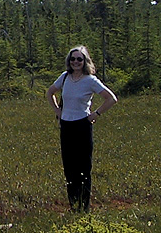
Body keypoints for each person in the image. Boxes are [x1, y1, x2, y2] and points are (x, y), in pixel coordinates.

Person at [46, 45, 117, 213]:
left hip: (82, 126)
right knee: (69, 168)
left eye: (79, 59)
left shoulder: (90, 80)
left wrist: (96, 114)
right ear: (69, 62)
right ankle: (73, 205)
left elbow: (111, 98)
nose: (76, 62)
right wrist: (57, 111)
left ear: (85, 61)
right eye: (73, 59)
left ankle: (84, 208)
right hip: (66, 126)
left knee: (83, 169)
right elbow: (50, 93)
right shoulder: (64, 77)